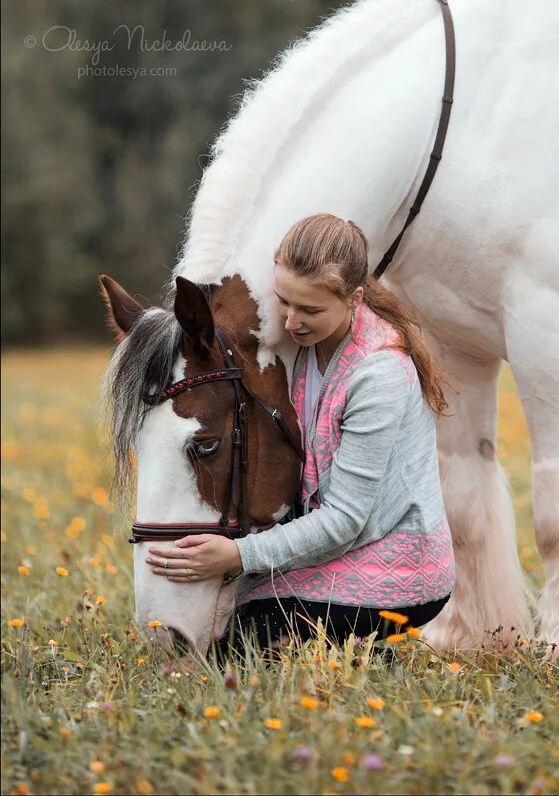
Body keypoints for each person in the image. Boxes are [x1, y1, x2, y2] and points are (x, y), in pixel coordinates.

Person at [147, 213, 456, 657]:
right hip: (340, 549)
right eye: (284, 301)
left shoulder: (380, 374)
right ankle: (356, 647)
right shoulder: (302, 345)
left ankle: (368, 645)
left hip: (402, 567)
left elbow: (346, 519)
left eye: (310, 309)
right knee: (225, 616)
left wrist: (239, 556)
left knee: (238, 646)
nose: (291, 321)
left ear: (355, 299)